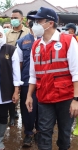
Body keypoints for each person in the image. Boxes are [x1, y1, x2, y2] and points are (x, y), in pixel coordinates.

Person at [26, 7, 78, 150]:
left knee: (64, 135)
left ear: (50, 23)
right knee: (44, 134)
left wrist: (76, 99)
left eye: (38, 21)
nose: (35, 24)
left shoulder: (68, 41)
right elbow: (32, 74)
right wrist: (29, 95)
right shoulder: (36, 45)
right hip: (44, 98)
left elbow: (76, 72)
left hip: (65, 98)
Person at [17, 10, 38, 147]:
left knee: (44, 108)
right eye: (32, 20)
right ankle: (29, 132)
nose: (35, 22)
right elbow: (18, 65)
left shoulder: (48, 41)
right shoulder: (21, 42)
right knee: (28, 108)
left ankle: (42, 131)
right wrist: (17, 85)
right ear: (27, 22)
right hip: (26, 80)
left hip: (45, 82)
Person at [6, 9, 29, 126]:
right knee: (12, 92)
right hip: (11, 69)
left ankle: (26, 116)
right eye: (12, 18)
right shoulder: (7, 34)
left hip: (24, 68)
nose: (13, 20)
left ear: (22, 19)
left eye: (16, 18)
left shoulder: (28, 33)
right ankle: (12, 114)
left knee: (23, 91)